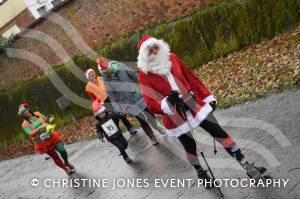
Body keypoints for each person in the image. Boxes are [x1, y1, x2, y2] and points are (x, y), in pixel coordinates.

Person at [137, 35, 267, 186]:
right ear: (144, 55)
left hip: (193, 104)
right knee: (190, 148)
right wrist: (167, 102)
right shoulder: (144, 75)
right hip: (174, 115)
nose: (154, 51)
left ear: (160, 46)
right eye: (150, 50)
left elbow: (192, 78)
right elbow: (150, 103)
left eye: (156, 47)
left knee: (220, 134)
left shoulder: (172, 58)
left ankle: (247, 166)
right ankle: (200, 173)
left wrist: (207, 97)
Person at [97, 58, 164, 146]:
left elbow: (134, 75)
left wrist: (145, 85)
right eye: (104, 71)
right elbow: (111, 95)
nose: (107, 71)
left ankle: (156, 126)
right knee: (141, 120)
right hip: (126, 102)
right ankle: (152, 137)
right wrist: (118, 110)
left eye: (107, 69)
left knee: (149, 113)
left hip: (137, 95)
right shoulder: (106, 79)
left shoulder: (121, 66)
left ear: (109, 65)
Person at [18, 103, 76, 175]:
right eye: (24, 114)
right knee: (55, 157)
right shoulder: (24, 124)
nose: (26, 114)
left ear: (28, 110)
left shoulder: (37, 113)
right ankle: (65, 169)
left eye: (26, 112)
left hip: (51, 136)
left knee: (62, 150)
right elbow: (30, 133)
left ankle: (66, 162)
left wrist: (49, 120)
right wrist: (40, 127)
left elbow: (46, 120)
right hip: (42, 142)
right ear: (23, 116)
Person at [84, 68, 137, 135]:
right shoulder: (88, 87)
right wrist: (98, 107)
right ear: (88, 77)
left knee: (121, 114)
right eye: (90, 73)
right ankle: (118, 134)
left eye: (93, 72)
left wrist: (116, 96)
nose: (92, 74)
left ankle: (130, 129)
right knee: (112, 118)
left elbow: (110, 87)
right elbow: (93, 99)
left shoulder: (101, 78)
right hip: (103, 104)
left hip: (112, 99)